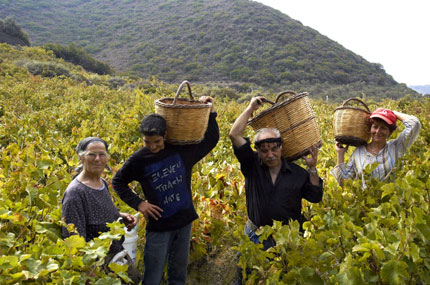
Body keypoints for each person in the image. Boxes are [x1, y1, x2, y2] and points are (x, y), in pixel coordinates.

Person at [112, 96, 219, 284]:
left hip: (184, 222)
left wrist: (211, 112)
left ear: (166, 135)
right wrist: (139, 203)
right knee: (153, 276)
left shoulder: (181, 150)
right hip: (159, 225)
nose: (152, 147)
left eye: (157, 142)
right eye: (147, 142)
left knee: (178, 275)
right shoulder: (139, 159)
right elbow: (118, 181)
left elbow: (211, 139)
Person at [229, 97, 323, 281]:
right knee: (247, 278)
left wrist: (312, 168)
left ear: (281, 148)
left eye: (274, 148)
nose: (270, 154)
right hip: (255, 235)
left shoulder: (298, 173)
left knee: (284, 278)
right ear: (258, 151)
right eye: (264, 150)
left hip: (286, 240)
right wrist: (250, 108)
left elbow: (315, 196)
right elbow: (234, 135)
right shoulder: (252, 165)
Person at [61, 137, 140, 282]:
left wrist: (120, 216)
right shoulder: (75, 193)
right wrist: (91, 272)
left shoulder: (101, 182)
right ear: (81, 157)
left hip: (115, 254)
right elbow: (73, 239)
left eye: (102, 154)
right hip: (98, 265)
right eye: (92, 154)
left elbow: (98, 213)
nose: (97, 159)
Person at [330, 108, 421, 185]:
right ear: (370, 129)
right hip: (366, 205)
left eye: (384, 128)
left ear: (390, 133)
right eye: (375, 127)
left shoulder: (396, 147)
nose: (378, 131)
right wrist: (340, 154)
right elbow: (344, 182)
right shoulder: (358, 152)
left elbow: (414, 124)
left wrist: (391, 112)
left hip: (391, 204)